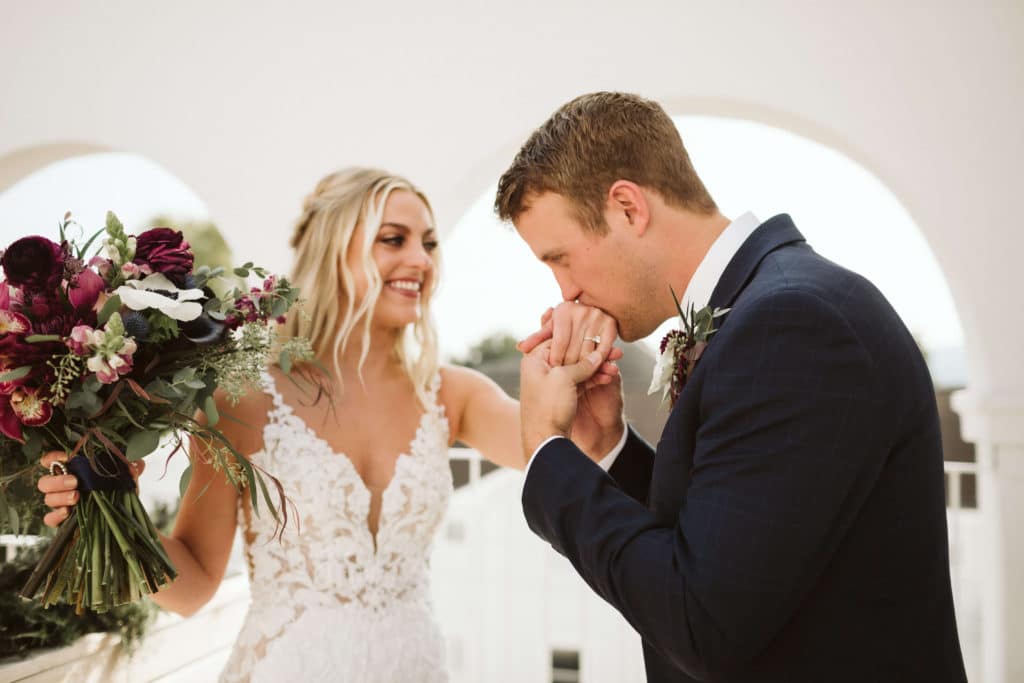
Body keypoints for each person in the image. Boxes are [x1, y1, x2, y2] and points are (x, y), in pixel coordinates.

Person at [37, 167, 623, 682]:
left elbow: (567, 446)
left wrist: (585, 380)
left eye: (428, 243)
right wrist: (114, 509)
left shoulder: (454, 393)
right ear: (333, 251)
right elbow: (192, 587)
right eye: (393, 239)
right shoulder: (242, 399)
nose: (420, 260)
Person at [505, 93, 967, 682]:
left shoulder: (793, 326)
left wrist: (546, 452)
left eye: (561, 258)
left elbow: (703, 622)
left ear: (627, 208)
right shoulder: (764, 311)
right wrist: (608, 446)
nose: (564, 291)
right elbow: (730, 531)